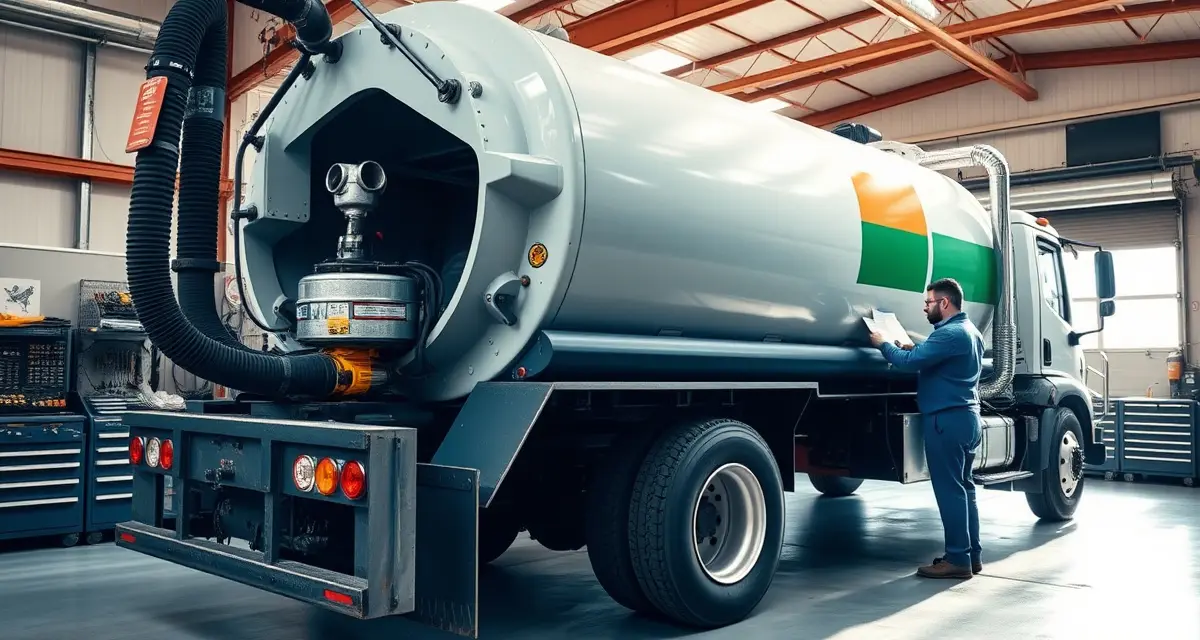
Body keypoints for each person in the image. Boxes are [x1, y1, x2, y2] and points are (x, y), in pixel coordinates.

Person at [868, 277, 985, 580]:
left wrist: (883, 344)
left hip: (946, 421)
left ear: (944, 303)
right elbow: (934, 358)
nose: (925, 308)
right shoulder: (969, 331)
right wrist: (914, 347)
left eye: (928, 303)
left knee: (949, 491)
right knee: (965, 488)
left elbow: (908, 362)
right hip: (967, 418)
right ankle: (971, 555)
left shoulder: (948, 334)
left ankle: (957, 560)